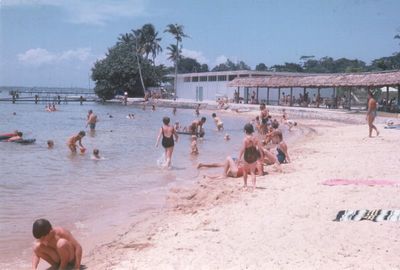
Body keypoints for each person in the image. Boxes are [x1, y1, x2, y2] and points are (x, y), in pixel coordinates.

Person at [239, 123, 263, 191]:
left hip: (247, 156)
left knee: (245, 171)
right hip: (254, 156)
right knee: (253, 172)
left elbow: (243, 149)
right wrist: (261, 156)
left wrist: (239, 157)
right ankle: (254, 186)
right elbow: (260, 148)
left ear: (245, 131)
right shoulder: (256, 138)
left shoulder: (245, 139)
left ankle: (245, 185)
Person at [197, 156, 263, 179]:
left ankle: (223, 175)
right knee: (221, 165)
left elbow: (260, 174)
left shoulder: (258, 163)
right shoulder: (255, 162)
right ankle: (208, 176)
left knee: (228, 158)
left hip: (237, 172)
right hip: (237, 171)